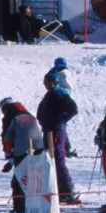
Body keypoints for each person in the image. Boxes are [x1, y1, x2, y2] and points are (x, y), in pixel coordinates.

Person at [0, 97, 45, 213]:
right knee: (36, 179)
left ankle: (20, 210)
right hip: (39, 150)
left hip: (22, 151)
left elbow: (7, 138)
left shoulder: (9, 116)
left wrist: (9, 156)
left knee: (19, 180)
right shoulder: (29, 115)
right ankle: (39, 207)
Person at [36, 69, 79, 204]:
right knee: (50, 160)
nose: (45, 83)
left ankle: (68, 190)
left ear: (54, 82)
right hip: (47, 131)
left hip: (57, 131)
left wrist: (62, 120)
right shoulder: (49, 94)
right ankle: (58, 189)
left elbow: (73, 109)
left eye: (47, 81)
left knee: (58, 160)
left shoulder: (60, 93)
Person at [9, 4, 83, 44]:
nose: (29, 12)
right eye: (27, 11)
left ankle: (72, 38)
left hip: (46, 25)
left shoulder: (29, 18)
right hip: (45, 27)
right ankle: (73, 39)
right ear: (24, 12)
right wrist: (43, 21)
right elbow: (35, 25)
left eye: (29, 11)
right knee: (65, 23)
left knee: (64, 24)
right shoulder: (27, 19)